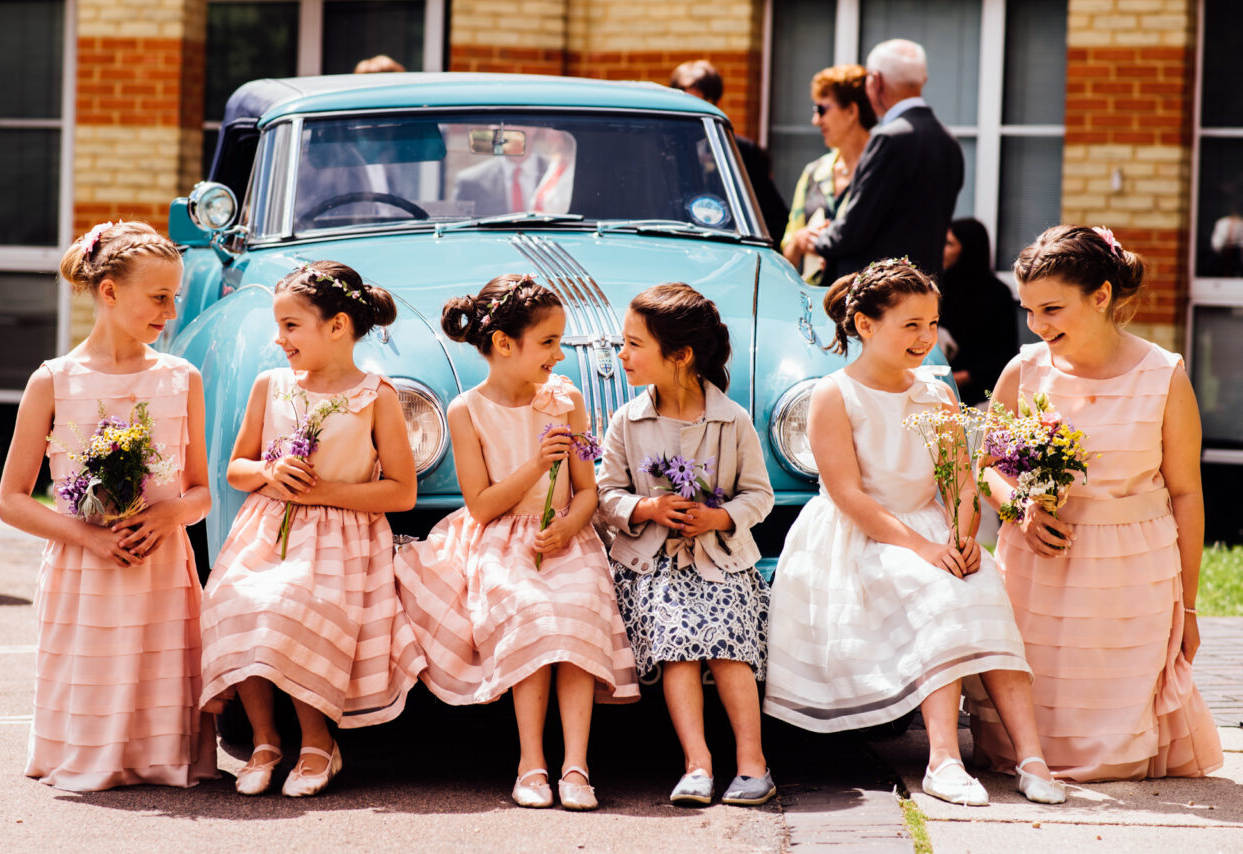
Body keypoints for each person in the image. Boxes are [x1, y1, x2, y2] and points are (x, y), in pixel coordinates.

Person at [763, 259, 1065, 806]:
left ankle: (1032, 757)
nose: (926, 338)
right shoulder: (834, 395)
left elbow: (959, 481)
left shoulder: (936, 393)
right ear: (865, 326)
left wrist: (962, 533)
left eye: (932, 323)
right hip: (867, 533)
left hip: (933, 528)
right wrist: (924, 547)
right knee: (940, 595)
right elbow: (849, 496)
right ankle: (943, 760)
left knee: (984, 593)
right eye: (911, 325)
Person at [969, 225, 1225, 782]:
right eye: (1029, 310)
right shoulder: (1023, 370)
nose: (1037, 325)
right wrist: (1021, 508)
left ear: (1102, 295)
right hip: (1037, 563)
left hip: (1134, 568)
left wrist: (1188, 607)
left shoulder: (1164, 375)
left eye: (1052, 309)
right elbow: (987, 466)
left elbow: (1185, 493)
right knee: (1034, 709)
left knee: (1117, 748)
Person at [394, 275, 638, 811]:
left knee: (574, 608)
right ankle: (532, 761)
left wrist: (571, 527)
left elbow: (586, 490)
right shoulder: (466, 410)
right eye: (549, 341)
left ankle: (576, 763)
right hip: (500, 539)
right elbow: (481, 506)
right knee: (529, 611)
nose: (560, 352)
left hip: (564, 537)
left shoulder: (564, 399)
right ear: (505, 344)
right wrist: (536, 462)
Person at [0, 221, 218, 791]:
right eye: (159, 297)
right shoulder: (52, 382)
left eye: (175, 297)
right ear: (111, 291)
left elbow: (200, 492)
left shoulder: (182, 378)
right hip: (84, 570)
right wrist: (90, 537)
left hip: (162, 568)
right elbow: (11, 502)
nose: (170, 311)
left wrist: (171, 515)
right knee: (91, 683)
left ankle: (161, 753)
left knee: (157, 674)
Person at [199, 261, 423, 797]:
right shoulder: (270, 384)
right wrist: (271, 474)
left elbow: (402, 491)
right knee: (234, 600)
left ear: (338, 326)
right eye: (279, 327)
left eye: (291, 326)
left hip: (342, 540)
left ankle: (319, 740)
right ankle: (265, 739)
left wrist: (323, 493)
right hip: (268, 527)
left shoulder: (376, 395)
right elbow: (236, 468)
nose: (279, 339)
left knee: (297, 604)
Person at [597, 283, 775, 807]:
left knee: (727, 640)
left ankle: (752, 763)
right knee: (677, 640)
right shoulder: (626, 421)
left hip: (722, 562)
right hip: (653, 566)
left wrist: (719, 516)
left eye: (633, 345)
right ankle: (697, 764)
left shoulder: (732, 419)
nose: (621, 354)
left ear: (680, 355)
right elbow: (606, 493)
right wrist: (647, 509)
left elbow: (759, 496)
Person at [807, 39, 963, 283]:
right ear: (923, 80)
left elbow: (855, 229)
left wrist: (817, 239)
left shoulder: (888, 139)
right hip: (924, 290)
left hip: (881, 294)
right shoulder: (948, 142)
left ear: (876, 81)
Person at [669, 59, 790, 249]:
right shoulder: (662, 152)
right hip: (672, 245)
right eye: (684, 102)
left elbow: (774, 217)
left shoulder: (741, 152)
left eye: (699, 102)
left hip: (726, 251)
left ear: (714, 103)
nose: (690, 111)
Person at [780, 64, 876, 283]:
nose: (816, 121)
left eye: (821, 110)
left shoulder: (881, 171)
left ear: (851, 111)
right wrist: (800, 240)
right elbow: (786, 255)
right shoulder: (813, 172)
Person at [939, 218, 1019, 405]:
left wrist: (960, 378)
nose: (943, 249)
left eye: (949, 244)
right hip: (941, 393)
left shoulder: (996, 293)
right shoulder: (940, 288)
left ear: (968, 248)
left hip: (982, 398)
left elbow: (1003, 353)